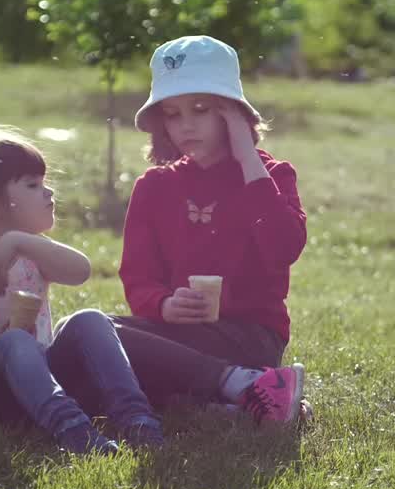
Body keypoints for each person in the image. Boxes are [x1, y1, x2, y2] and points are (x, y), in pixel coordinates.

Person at [0, 127, 164, 455]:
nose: (49, 193)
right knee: (15, 342)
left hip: (34, 384)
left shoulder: (32, 256)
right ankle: (74, 431)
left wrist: (19, 240)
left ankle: (137, 418)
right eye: (33, 185)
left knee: (88, 319)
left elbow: (81, 271)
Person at [112, 35, 310, 424]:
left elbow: (284, 247)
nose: (185, 126)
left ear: (233, 113)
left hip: (249, 338)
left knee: (101, 346)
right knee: (86, 333)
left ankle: (246, 383)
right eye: (172, 114)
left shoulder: (271, 176)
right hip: (175, 334)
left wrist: (246, 155)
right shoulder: (154, 187)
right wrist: (165, 305)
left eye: (201, 109)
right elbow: (137, 278)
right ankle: (234, 401)